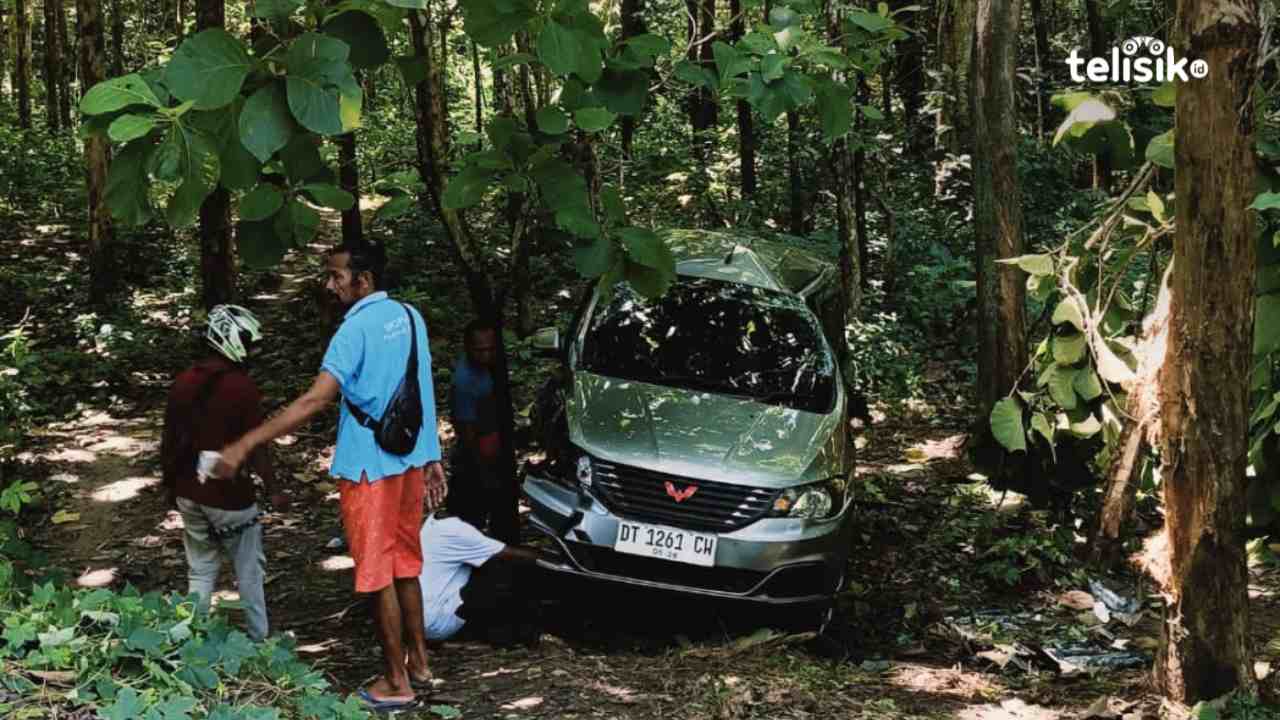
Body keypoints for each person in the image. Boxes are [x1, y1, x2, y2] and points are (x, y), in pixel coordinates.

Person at [211, 242, 448, 713]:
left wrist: (244, 443)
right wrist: (431, 457)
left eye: (337, 276)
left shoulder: (352, 331)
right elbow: (423, 387)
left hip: (368, 468)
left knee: (378, 574)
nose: (329, 284)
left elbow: (313, 401)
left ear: (363, 280)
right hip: (407, 463)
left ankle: (396, 681)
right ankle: (420, 664)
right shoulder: (410, 315)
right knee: (406, 565)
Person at [160, 304, 285, 642]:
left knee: (200, 569)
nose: (253, 349)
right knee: (248, 571)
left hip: (189, 491)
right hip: (229, 497)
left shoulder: (183, 382)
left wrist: (170, 487)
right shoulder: (241, 387)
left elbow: (168, 441)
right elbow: (256, 445)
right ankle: (261, 642)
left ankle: (187, 639)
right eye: (248, 340)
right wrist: (273, 487)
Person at [417, 512, 544, 645]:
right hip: (435, 624)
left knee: (481, 563)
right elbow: (518, 555)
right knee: (502, 569)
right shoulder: (455, 529)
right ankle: (508, 634)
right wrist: (560, 558)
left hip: (413, 622)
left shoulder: (428, 523)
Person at [448, 321, 515, 540]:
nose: (486, 355)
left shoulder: (493, 368)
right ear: (468, 348)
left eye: (490, 349)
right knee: (470, 517)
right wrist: (483, 471)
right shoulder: (465, 382)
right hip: (477, 458)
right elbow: (467, 431)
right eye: (480, 350)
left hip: (494, 448)